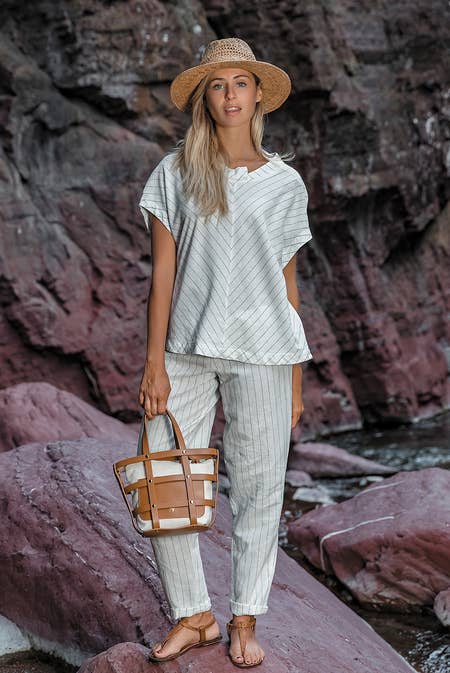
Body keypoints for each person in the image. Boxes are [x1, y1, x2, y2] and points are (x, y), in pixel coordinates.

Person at [137, 37, 313, 668]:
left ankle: (244, 617)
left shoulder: (285, 184)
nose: (230, 94)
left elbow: (288, 284)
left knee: (261, 486)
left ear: (258, 94)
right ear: (205, 99)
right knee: (162, 475)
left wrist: (295, 384)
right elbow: (162, 274)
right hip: (185, 349)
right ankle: (193, 614)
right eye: (218, 85)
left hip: (265, 352)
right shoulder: (175, 172)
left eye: (240, 83)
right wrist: (154, 362)